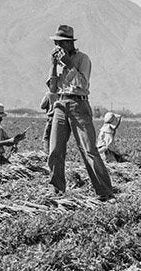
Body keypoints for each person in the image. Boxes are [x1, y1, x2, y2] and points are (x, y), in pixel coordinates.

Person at [45, 24, 115, 199]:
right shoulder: (57, 61)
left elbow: (83, 84)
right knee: (55, 150)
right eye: (56, 43)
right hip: (61, 104)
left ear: (69, 44)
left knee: (89, 149)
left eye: (60, 43)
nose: (57, 47)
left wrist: (69, 66)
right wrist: (54, 66)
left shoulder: (83, 59)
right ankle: (57, 190)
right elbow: (53, 88)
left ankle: (105, 192)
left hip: (78, 104)